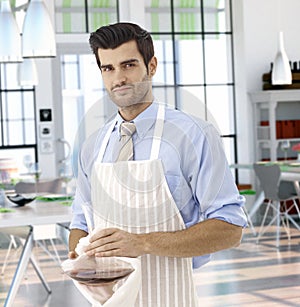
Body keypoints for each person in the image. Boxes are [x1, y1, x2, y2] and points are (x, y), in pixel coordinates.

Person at [68, 22, 247, 306]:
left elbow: (230, 228)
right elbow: (80, 223)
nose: (119, 78)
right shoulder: (92, 146)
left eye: (128, 65)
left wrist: (142, 243)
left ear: (151, 66)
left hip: (170, 295)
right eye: (108, 68)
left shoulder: (195, 135)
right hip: (109, 299)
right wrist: (81, 262)